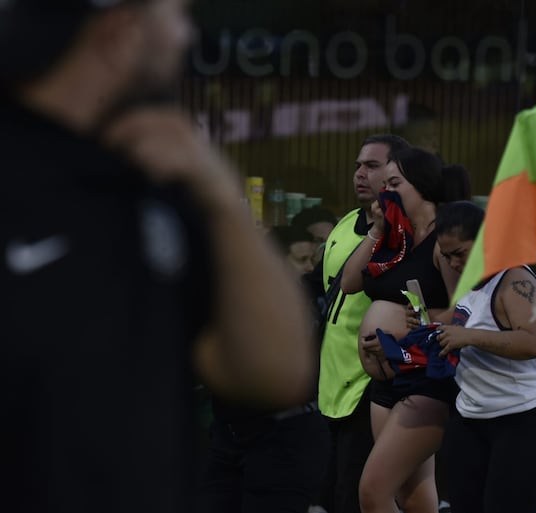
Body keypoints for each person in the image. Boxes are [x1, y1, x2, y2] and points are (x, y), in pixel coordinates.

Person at [0, 1, 314, 511]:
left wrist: (222, 196)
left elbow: (276, 372)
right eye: (176, 15)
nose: (186, 37)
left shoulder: (156, 174)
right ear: (122, 30)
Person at [340, 147, 469, 513]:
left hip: (426, 382)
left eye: (394, 184)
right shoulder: (397, 236)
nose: (386, 192)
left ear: (422, 187)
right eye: (384, 185)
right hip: (386, 383)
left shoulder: (444, 240)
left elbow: (465, 311)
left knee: (372, 493)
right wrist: (378, 228)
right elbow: (349, 283)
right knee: (412, 495)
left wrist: (401, 340)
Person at [430, 201, 536, 513]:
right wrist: (410, 327)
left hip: (527, 417)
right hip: (472, 416)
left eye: (460, 254)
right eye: (446, 256)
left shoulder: (515, 280)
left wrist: (468, 337)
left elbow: (534, 342)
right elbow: (446, 321)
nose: (453, 264)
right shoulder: (471, 283)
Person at [198, 225, 330, 513]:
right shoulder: (235, 298)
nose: (311, 268)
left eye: (312, 260)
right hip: (228, 435)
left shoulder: (308, 303)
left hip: (286, 435)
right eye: (301, 260)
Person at [317, 134, 411, 513]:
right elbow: (322, 288)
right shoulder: (345, 223)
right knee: (327, 493)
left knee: (358, 495)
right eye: (358, 165)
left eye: (371, 166)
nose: (359, 173)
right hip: (329, 381)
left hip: (373, 380)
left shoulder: (407, 235)